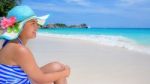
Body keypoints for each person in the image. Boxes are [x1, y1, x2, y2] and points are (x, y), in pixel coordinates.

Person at [0, 5, 70, 84]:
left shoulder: (8, 44)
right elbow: (41, 79)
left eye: (37, 24)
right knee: (59, 72)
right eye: (33, 23)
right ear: (20, 27)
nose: (37, 27)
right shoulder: (19, 49)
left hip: (17, 81)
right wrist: (65, 73)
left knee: (57, 67)